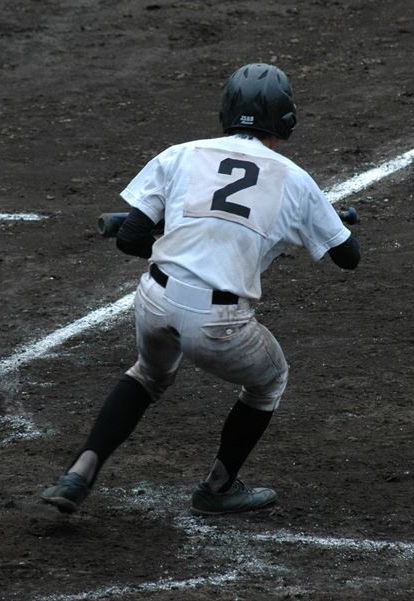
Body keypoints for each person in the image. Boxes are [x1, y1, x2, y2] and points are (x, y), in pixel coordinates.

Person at [41, 62, 360, 516]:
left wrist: (181, 238)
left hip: (154, 302)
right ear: (285, 118)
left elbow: (130, 237)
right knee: (270, 380)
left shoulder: (181, 154)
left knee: (147, 376)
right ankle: (219, 487)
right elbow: (349, 257)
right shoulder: (295, 181)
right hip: (219, 325)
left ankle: (79, 472)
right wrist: (309, 220)